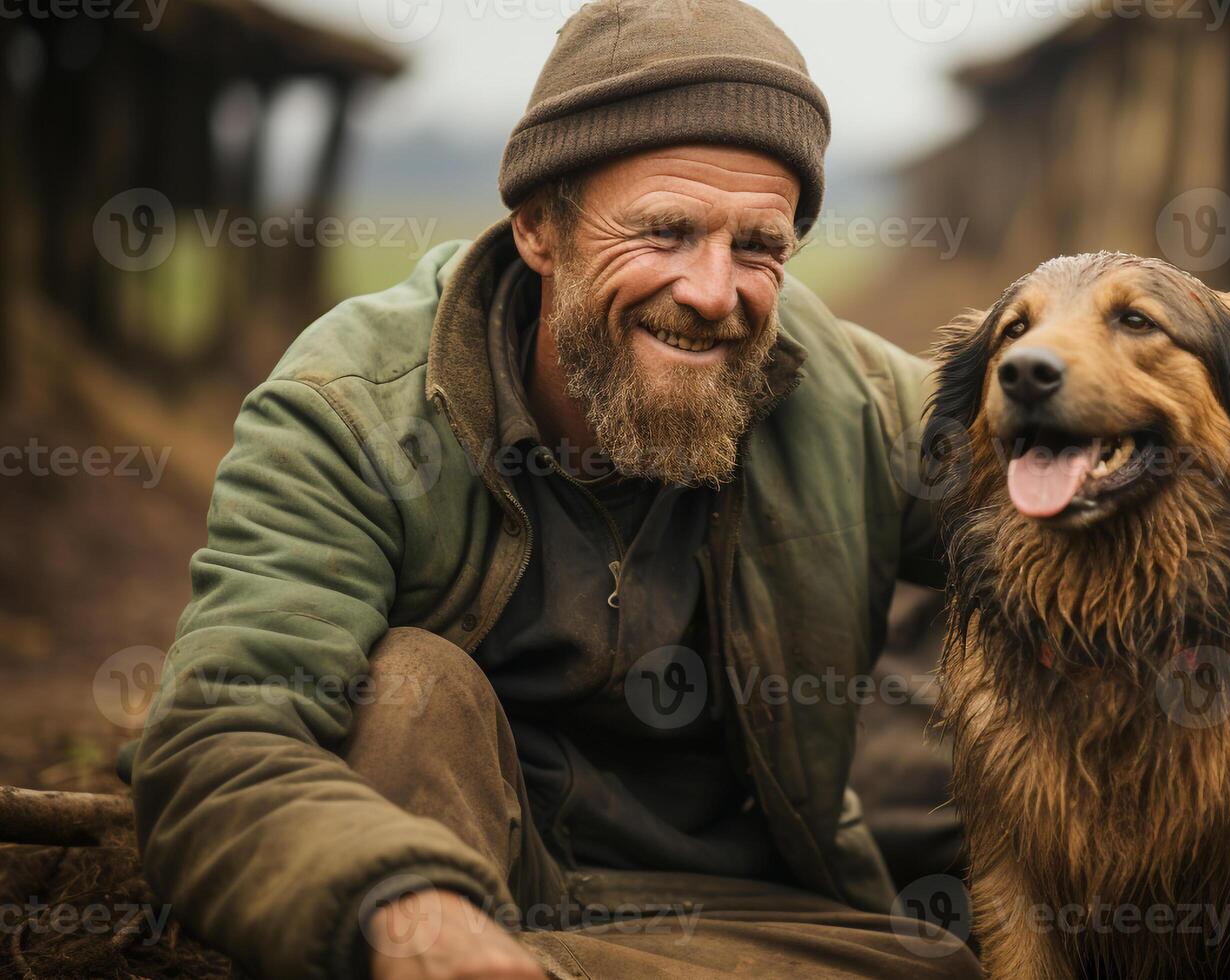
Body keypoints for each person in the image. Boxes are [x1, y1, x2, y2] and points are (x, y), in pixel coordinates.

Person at [125, 2, 975, 977]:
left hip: (745, 919)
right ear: (538, 225)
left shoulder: (850, 406)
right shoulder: (358, 412)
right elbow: (221, 739)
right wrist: (412, 919)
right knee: (411, 680)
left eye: (757, 247)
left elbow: (1061, 516)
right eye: (664, 230)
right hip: (451, 883)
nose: (712, 289)